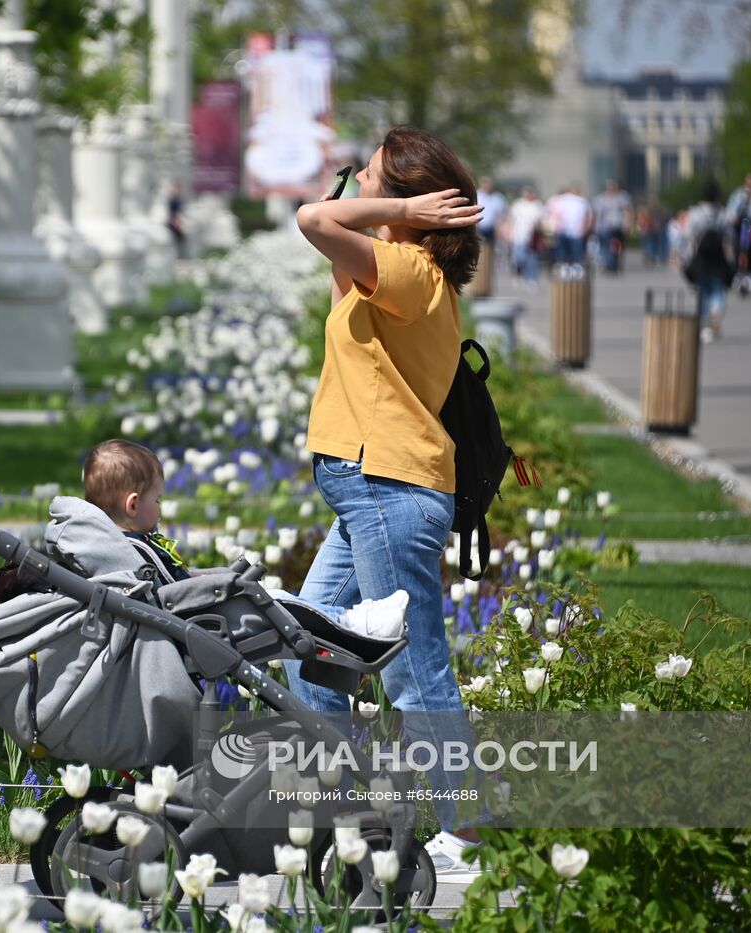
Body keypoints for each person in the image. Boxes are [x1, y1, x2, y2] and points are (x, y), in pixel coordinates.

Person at [289, 125, 485, 878]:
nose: (354, 186)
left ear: (411, 208)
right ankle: (349, 822)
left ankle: (466, 835)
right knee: (309, 661)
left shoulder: (407, 268)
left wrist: (396, 215)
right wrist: (363, 198)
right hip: (368, 491)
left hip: (387, 487)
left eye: (367, 177)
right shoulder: (387, 273)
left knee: (414, 670)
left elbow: (313, 220)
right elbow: (327, 222)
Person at [79, 439, 409, 638]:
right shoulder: (134, 553)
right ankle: (357, 623)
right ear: (133, 504)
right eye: (157, 500)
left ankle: (356, 619)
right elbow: (171, 595)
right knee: (277, 600)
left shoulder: (124, 548)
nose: (161, 509)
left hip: (199, 616)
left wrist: (221, 577)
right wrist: (226, 582)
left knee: (276, 599)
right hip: (202, 623)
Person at [682, 180, 735, 343]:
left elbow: (688, 234)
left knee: (703, 290)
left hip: (702, 256)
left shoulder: (696, 213)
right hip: (718, 256)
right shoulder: (723, 214)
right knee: (718, 289)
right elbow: (730, 236)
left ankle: (705, 324)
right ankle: (715, 315)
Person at [726, 171, 751, 285]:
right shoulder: (740, 194)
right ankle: (740, 270)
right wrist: (732, 217)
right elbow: (731, 210)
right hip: (744, 224)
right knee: (743, 248)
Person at [506, 185, 546, 284]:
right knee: (518, 257)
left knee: (532, 257)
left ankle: (531, 278)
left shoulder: (537, 205)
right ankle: (519, 275)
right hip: (519, 234)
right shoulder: (518, 205)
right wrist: (509, 233)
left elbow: (541, 221)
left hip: (533, 236)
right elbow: (511, 220)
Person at [591, 179, 632, 273]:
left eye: (613, 186)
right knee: (605, 246)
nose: (612, 188)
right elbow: (596, 214)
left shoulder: (622, 197)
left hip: (618, 225)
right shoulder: (600, 199)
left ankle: (615, 262)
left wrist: (628, 223)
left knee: (617, 245)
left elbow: (627, 211)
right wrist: (594, 226)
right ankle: (608, 264)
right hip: (604, 226)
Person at [548, 183, 591, 266]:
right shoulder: (571, 200)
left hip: (574, 231)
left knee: (572, 254)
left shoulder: (580, 201)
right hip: (565, 231)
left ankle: (573, 268)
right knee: (567, 253)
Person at [476, 175, 508, 248]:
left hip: (493, 229)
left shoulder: (497, 198)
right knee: (481, 250)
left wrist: (500, 229)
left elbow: (501, 215)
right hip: (479, 228)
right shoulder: (477, 195)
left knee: (490, 250)